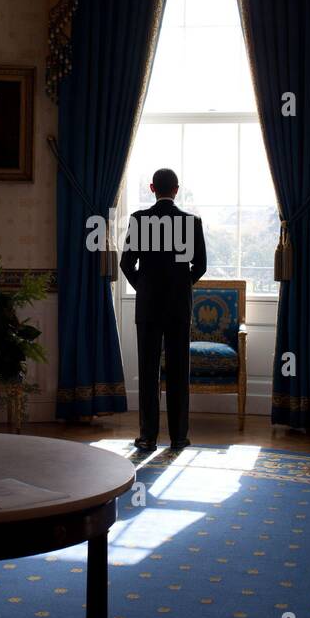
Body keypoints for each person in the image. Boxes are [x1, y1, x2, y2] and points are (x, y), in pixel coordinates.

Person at [120, 168, 207, 452]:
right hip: (179, 306)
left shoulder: (139, 220)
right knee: (179, 372)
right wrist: (183, 284)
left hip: (148, 307)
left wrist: (143, 287)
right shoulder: (190, 222)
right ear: (177, 189)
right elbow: (201, 266)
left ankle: (147, 437)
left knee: (148, 372)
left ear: (152, 187)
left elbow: (126, 264)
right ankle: (179, 437)